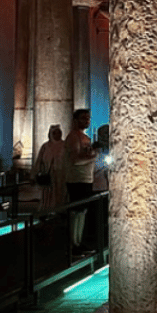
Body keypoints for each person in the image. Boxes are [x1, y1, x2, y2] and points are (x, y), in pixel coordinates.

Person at [65, 109, 96, 255]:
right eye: (83, 118)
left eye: (88, 118)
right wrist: (93, 156)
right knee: (76, 212)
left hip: (85, 178)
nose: (87, 121)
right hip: (77, 179)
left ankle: (78, 241)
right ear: (75, 120)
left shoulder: (84, 137)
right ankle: (73, 243)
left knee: (82, 212)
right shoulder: (73, 137)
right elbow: (75, 160)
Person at [32, 124, 67, 213]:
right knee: (48, 193)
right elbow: (39, 161)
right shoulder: (45, 146)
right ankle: (46, 210)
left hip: (62, 175)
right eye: (55, 133)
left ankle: (60, 210)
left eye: (59, 133)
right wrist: (34, 174)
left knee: (60, 192)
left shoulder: (65, 145)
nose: (57, 135)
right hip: (48, 174)